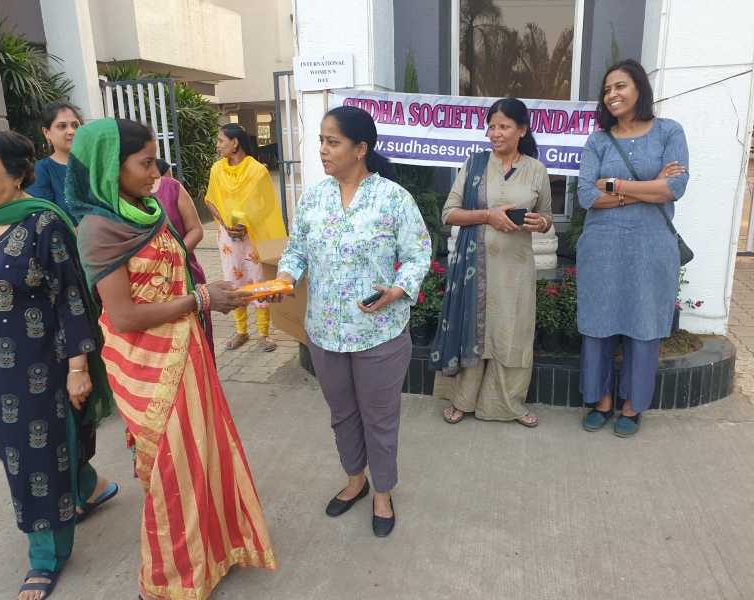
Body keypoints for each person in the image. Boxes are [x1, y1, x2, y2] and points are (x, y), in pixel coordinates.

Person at [66, 118, 276, 600]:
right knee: (171, 471)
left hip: (188, 350)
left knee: (203, 454)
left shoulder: (146, 210)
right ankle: (169, 580)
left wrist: (216, 294)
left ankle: (214, 553)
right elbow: (123, 316)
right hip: (147, 364)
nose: (155, 173)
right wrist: (201, 299)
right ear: (109, 166)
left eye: (155, 161)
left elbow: (172, 278)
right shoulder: (99, 228)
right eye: (145, 163)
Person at [0, 128, 117, 600]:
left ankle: (46, 557)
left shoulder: (44, 224)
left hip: (38, 371)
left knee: (35, 462)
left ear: (15, 172)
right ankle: (89, 487)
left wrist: (78, 369)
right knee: (11, 449)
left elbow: (72, 300)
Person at [272, 106, 431, 537]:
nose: (323, 150)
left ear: (360, 149)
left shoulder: (393, 199)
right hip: (324, 332)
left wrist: (397, 290)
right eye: (321, 141)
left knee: (379, 418)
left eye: (332, 142)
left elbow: (418, 254)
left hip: (379, 333)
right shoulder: (314, 199)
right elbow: (297, 251)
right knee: (342, 414)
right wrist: (285, 277)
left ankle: (383, 492)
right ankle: (355, 481)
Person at [576, 59, 689, 437]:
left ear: (640, 88)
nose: (612, 95)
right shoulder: (598, 140)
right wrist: (648, 186)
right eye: (607, 90)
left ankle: (632, 406)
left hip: (651, 247)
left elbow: (673, 188)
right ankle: (601, 400)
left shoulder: (669, 131)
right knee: (598, 323)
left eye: (620, 86)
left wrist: (615, 185)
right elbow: (587, 196)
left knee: (644, 326)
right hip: (601, 247)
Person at [430, 98, 553, 428]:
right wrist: (488, 216)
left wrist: (540, 223)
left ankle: (508, 402)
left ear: (522, 130)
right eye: (491, 126)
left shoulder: (537, 170)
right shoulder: (474, 164)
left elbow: (546, 216)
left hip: (516, 268)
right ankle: (462, 399)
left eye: (503, 126)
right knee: (473, 329)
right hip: (475, 267)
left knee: (512, 332)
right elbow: (448, 213)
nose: (495, 133)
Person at [205, 123, 286, 352]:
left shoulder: (257, 170)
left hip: (253, 235)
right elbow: (211, 199)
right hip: (228, 238)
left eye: (220, 140)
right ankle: (241, 330)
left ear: (235, 143)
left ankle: (264, 333)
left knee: (258, 280)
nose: (217, 145)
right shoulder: (217, 170)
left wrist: (247, 224)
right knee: (233, 281)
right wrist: (224, 223)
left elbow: (267, 205)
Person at [152, 158, 214, 357]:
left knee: (198, 347)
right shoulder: (113, 198)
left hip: (186, 275)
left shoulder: (172, 188)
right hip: (148, 289)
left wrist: (173, 258)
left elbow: (196, 229)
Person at [26, 102, 83, 226]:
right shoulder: (43, 170)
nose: (71, 131)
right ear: (46, 132)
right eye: (62, 126)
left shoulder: (95, 165)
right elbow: (42, 218)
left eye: (75, 125)